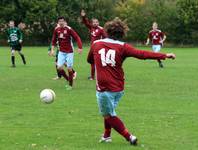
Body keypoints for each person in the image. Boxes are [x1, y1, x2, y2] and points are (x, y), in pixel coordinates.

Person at [87, 18, 175, 145]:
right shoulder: (123, 47)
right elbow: (142, 54)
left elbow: (90, 60)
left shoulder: (96, 44)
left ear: (106, 31)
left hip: (104, 88)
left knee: (108, 115)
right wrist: (164, 55)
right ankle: (106, 136)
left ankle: (130, 137)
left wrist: (100, 63)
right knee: (110, 111)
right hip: (119, 88)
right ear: (122, 34)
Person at [50, 17, 82, 90]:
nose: (61, 22)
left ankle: (70, 85)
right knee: (59, 67)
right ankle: (68, 79)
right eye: (59, 21)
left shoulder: (69, 29)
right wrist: (52, 50)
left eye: (62, 21)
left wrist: (80, 47)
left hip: (69, 52)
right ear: (58, 22)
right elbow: (53, 40)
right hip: (61, 51)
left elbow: (77, 37)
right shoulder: (56, 29)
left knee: (69, 69)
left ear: (64, 22)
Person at [81, 9, 106, 80]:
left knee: (100, 63)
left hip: (99, 48)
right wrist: (83, 16)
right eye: (94, 22)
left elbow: (106, 37)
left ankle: (102, 76)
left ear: (98, 23)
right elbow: (86, 23)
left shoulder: (101, 29)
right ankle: (92, 77)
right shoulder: (91, 28)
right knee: (92, 62)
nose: (95, 23)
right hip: (92, 48)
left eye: (96, 22)